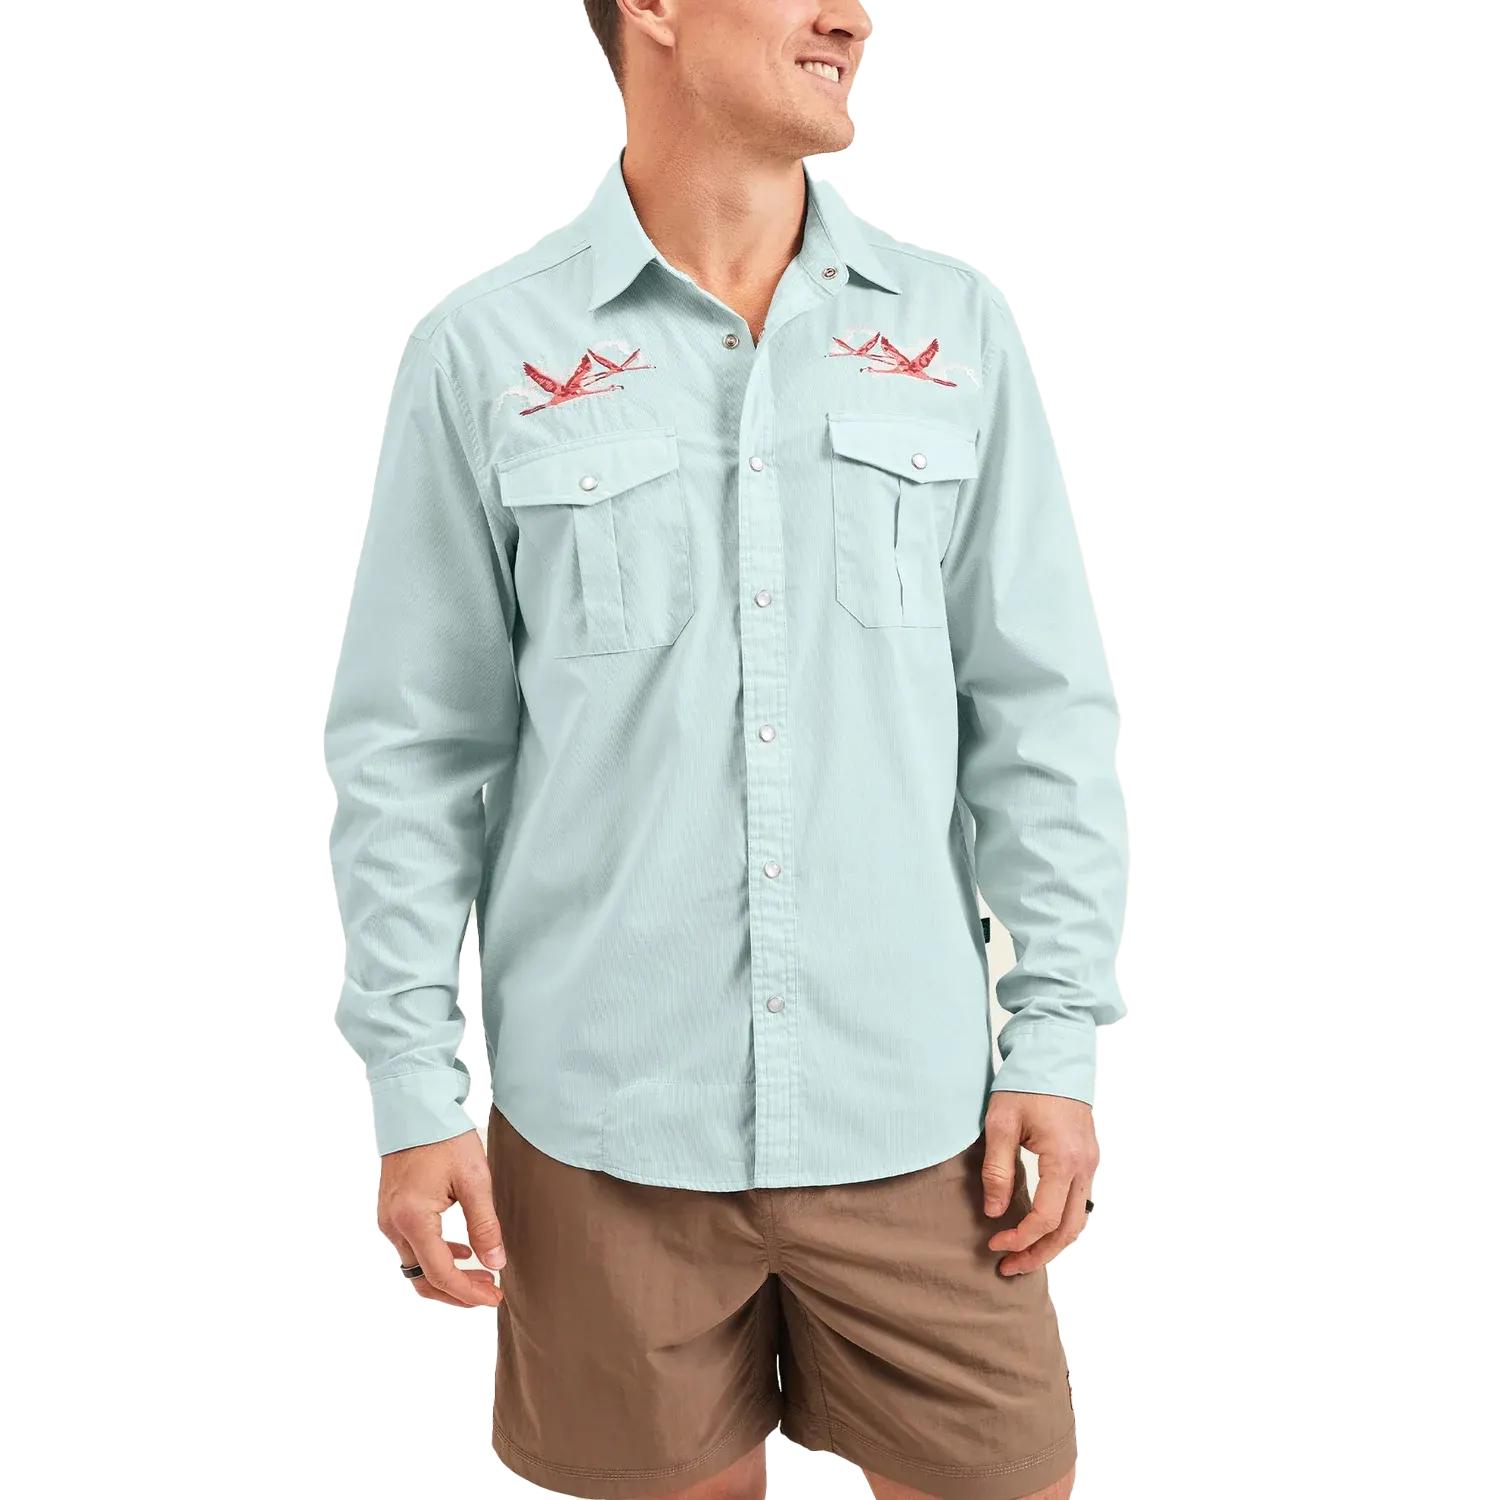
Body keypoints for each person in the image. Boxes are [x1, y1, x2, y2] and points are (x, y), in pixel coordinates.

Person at [321, 1, 1129, 1497]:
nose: (854, 16)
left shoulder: (955, 333)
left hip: (919, 1126)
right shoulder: (487, 349)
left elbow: (1040, 715)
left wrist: (1059, 1035)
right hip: (606, 1137)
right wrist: (415, 1090)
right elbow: (413, 754)